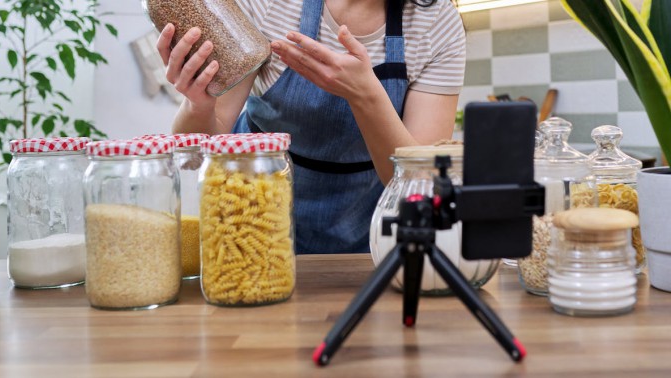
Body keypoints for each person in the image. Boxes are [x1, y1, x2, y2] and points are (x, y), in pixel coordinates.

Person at [157, 0, 466, 254]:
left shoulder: (437, 23)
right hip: (249, 223)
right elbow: (195, 153)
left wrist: (367, 96)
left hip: (368, 237)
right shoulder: (270, 4)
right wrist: (199, 105)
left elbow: (420, 183)